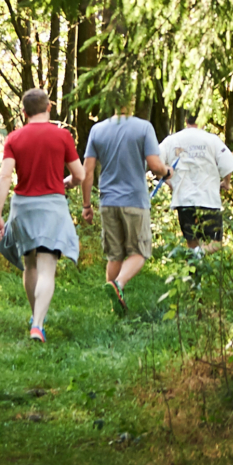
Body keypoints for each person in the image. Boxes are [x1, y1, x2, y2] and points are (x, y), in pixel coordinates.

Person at [0, 88, 83, 342]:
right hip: (52, 206)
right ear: (49, 108)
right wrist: (69, 182)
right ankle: (38, 325)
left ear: (24, 113)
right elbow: (80, 174)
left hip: (23, 207)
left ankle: (35, 315)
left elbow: (5, 176)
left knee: (29, 263)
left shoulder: (14, 138)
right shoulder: (62, 136)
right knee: (46, 268)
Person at [81, 95, 168, 317]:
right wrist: (167, 172)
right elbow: (155, 165)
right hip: (135, 201)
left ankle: (115, 307)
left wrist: (86, 205)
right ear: (131, 101)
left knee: (115, 255)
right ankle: (118, 284)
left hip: (108, 202)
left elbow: (88, 171)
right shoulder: (143, 127)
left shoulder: (97, 130)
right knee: (140, 252)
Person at [155, 113, 233, 248]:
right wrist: (226, 183)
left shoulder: (173, 140)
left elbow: (155, 163)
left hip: (184, 199)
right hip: (208, 199)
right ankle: (200, 257)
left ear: (186, 120)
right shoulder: (212, 139)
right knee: (216, 243)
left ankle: (195, 263)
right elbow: (227, 164)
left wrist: (168, 182)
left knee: (192, 242)